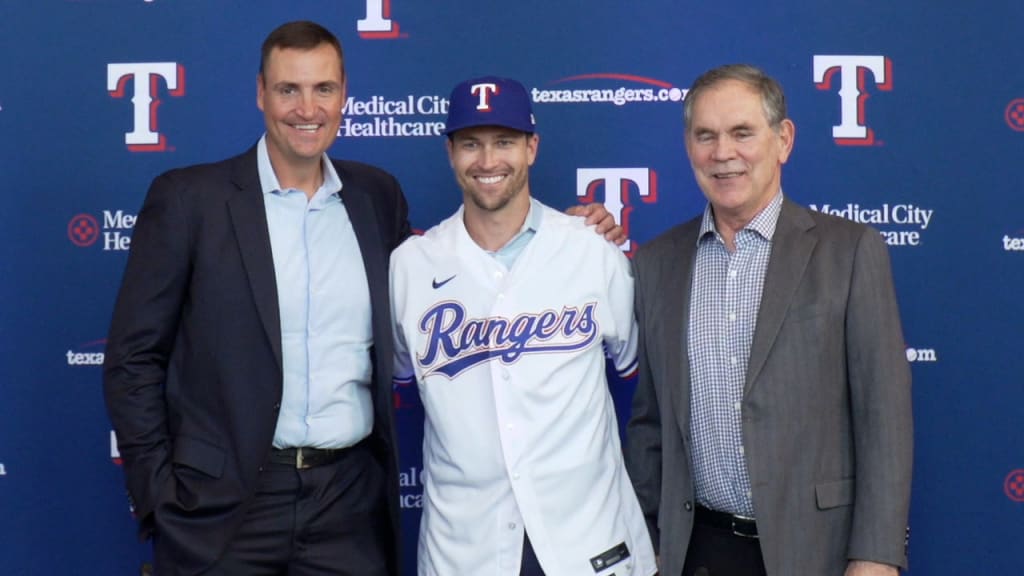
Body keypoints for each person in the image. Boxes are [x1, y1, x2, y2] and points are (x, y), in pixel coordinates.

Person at [103, 22, 622, 576]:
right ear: (260, 93)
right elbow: (133, 359)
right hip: (224, 504)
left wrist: (574, 234)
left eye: (323, 89)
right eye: (288, 90)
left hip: (347, 503)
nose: (307, 108)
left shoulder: (375, 196)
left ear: (344, 95)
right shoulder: (190, 199)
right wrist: (158, 494)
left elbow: (455, 276)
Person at [625, 64, 913, 576]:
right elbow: (651, 423)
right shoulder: (657, 263)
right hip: (697, 554)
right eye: (705, 136)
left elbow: (884, 419)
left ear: (783, 140)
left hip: (817, 550)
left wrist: (877, 554)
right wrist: (650, 541)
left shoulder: (848, 251)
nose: (723, 153)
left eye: (742, 133)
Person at [389, 76, 657, 576]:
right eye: (471, 144)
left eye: (505, 142)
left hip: (588, 539)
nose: (488, 162)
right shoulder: (411, 267)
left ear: (532, 147)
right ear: (450, 152)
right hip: (464, 549)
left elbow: (636, 371)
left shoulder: (590, 250)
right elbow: (398, 378)